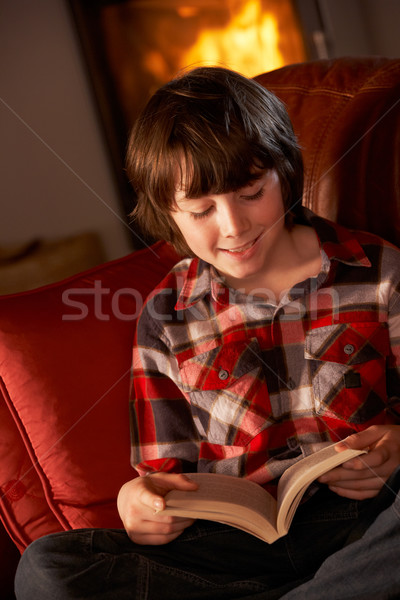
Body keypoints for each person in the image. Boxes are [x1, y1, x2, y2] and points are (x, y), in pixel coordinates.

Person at [15, 66, 400, 599]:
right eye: (202, 210)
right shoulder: (167, 316)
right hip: (240, 550)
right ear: (170, 215)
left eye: (250, 192)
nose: (234, 227)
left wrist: (397, 445)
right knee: (47, 567)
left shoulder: (379, 271)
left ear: (284, 172)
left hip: (370, 520)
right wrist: (140, 504)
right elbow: (164, 477)